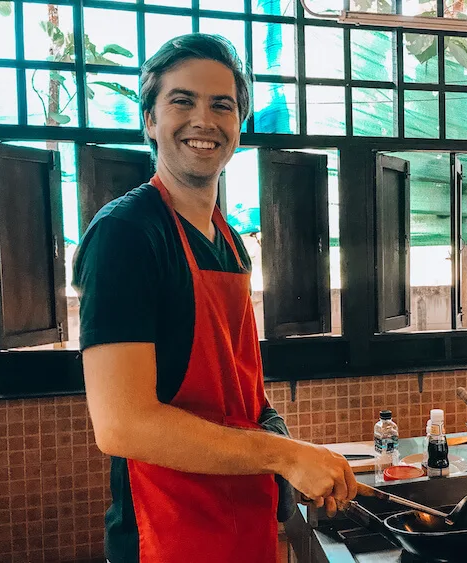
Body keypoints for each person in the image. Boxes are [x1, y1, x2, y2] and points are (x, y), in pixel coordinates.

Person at [73, 33, 357, 563]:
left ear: (239, 127)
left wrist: (280, 440)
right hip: (167, 533)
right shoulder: (127, 235)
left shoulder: (228, 241)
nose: (203, 120)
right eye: (182, 101)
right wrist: (281, 454)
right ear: (150, 121)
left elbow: (237, 389)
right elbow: (122, 424)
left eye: (221, 105)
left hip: (241, 524)